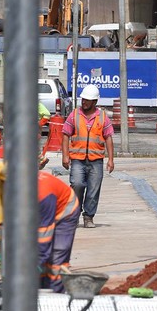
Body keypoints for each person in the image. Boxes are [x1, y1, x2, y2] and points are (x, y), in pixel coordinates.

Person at [61, 84, 115, 229]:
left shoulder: (103, 117)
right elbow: (65, 134)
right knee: (77, 185)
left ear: (95, 102)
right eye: (83, 99)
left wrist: (111, 160)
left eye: (87, 100)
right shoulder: (74, 115)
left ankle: (88, 217)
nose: (84, 102)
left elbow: (109, 138)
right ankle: (74, 214)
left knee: (93, 190)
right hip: (77, 159)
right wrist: (65, 156)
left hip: (96, 160)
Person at [37, 171, 80, 292]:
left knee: (56, 260)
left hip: (65, 213)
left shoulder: (44, 194)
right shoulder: (3, 193)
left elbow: (43, 241)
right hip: (39, 210)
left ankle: (56, 296)